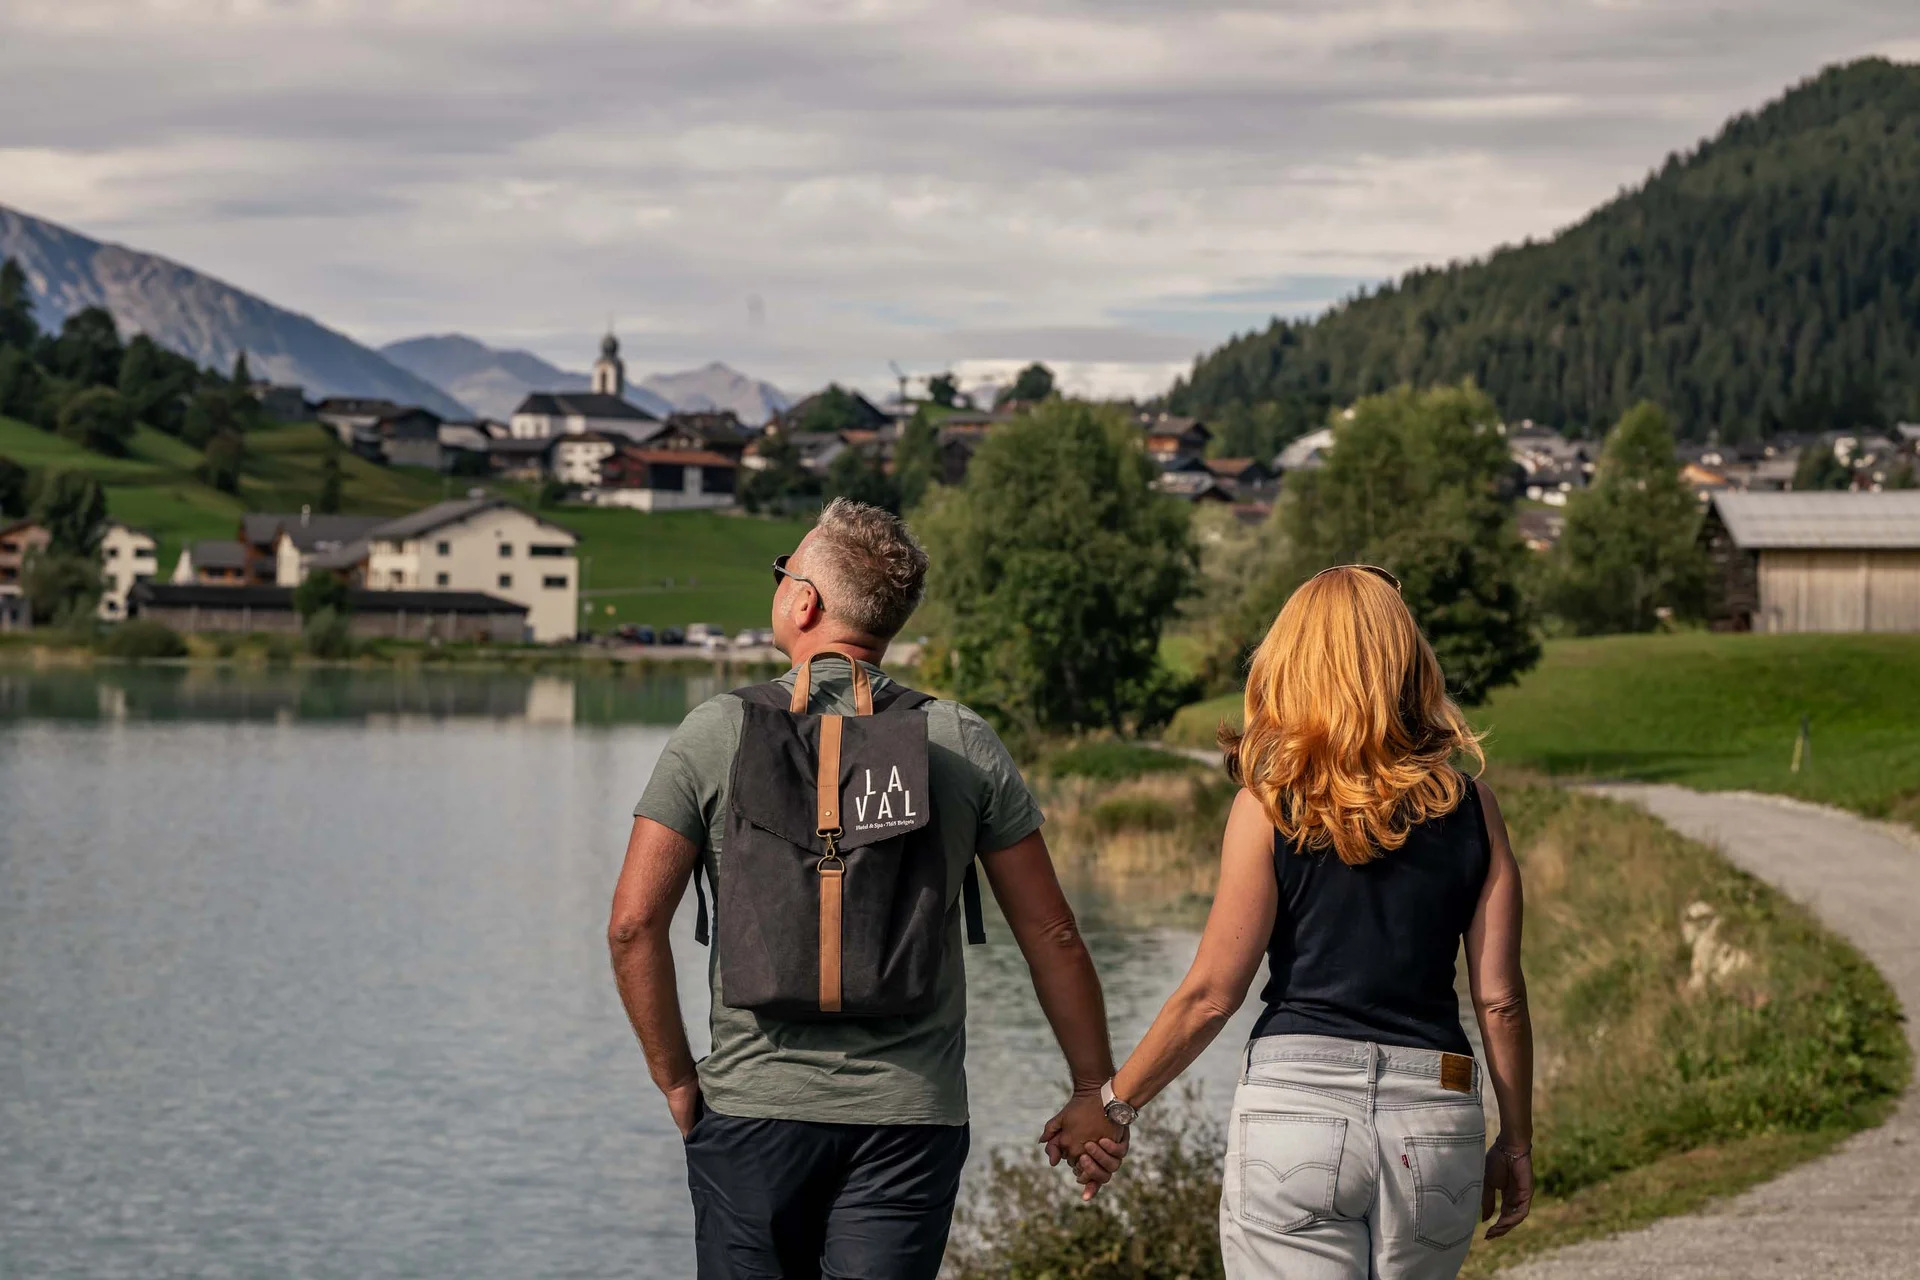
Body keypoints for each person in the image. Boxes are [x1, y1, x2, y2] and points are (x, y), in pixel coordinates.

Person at [607, 498, 1125, 1280]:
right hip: (909, 1122)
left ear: (804, 601)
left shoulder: (717, 731)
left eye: (783, 571)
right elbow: (1052, 935)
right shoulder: (958, 739)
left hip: (751, 1109)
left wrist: (679, 1080)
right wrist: (1092, 1089)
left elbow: (632, 926)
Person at [1059, 565, 1534, 1279]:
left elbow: (1212, 994)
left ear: (1291, 664)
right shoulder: (1471, 808)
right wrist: (1516, 1141)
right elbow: (1499, 1000)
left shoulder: (1269, 805)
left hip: (1296, 1113)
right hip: (1434, 1116)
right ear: (1407, 663)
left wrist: (1114, 1106)